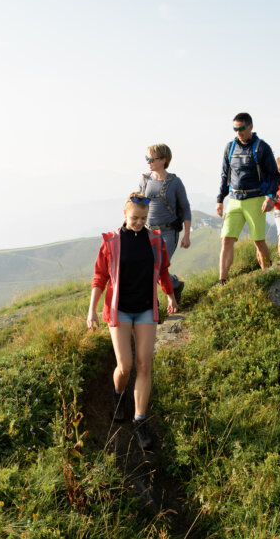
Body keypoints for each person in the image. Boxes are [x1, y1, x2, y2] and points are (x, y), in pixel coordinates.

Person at [87, 193, 178, 450]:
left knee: (144, 364)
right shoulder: (111, 242)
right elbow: (99, 278)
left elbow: (162, 272)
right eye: (134, 218)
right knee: (125, 366)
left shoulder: (154, 240)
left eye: (143, 218)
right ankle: (118, 396)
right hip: (120, 311)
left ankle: (140, 420)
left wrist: (170, 296)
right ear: (124, 215)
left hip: (146, 308)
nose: (139, 222)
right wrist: (91, 310)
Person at [216, 112, 280, 283]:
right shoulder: (230, 147)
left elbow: (274, 175)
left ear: (251, 126)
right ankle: (222, 280)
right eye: (235, 129)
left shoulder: (262, 147)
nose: (238, 132)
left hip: (255, 199)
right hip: (234, 200)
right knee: (226, 240)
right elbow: (225, 175)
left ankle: (268, 275)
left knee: (258, 241)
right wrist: (219, 200)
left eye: (242, 128)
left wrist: (270, 197)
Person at [139, 143, 192, 303]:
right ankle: (175, 284)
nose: (148, 161)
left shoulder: (175, 182)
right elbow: (139, 205)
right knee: (151, 268)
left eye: (151, 158)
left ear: (163, 160)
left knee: (156, 269)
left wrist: (187, 235)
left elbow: (185, 208)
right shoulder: (145, 180)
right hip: (148, 232)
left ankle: (150, 309)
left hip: (169, 233)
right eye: (146, 158)